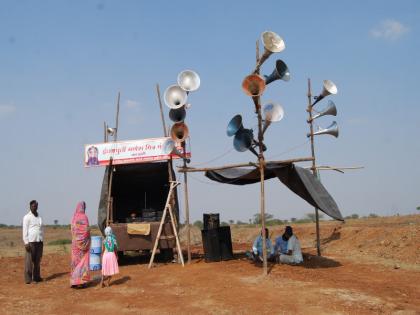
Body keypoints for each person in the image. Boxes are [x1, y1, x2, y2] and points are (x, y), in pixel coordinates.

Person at [70, 201, 91, 288]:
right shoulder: (84, 217)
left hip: (75, 245)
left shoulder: (73, 217)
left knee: (75, 263)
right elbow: (86, 230)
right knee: (83, 262)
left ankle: (74, 282)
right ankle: (82, 281)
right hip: (84, 246)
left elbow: (72, 230)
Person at [23, 200, 44, 284]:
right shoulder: (27, 217)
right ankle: (28, 279)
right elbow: (25, 230)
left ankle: (36, 277)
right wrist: (26, 242)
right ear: (30, 206)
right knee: (29, 261)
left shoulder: (39, 217)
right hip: (31, 242)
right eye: (33, 206)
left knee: (37, 261)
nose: (34, 207)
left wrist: (42, 239)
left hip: (39, 241)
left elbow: (41, 229)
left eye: (36, 206)